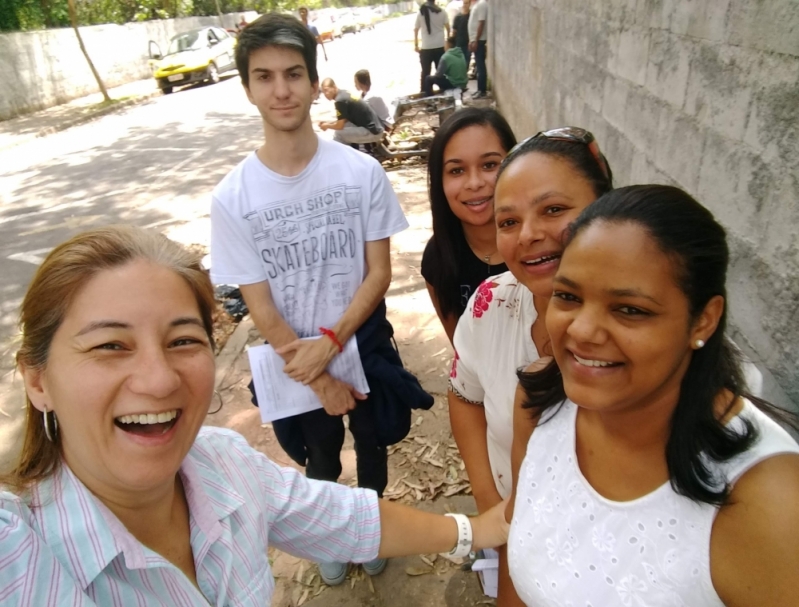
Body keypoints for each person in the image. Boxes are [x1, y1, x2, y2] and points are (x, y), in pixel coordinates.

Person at [0, 226, 511, 605]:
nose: (158, 380)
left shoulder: (222, 464)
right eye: (111, 345)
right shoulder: (19, 551)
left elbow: (338, 516)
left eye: (182, 340)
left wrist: (472, 530)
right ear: (39, 380)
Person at [209, 14, 433, 586]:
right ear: (248, 87)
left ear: (314, 82)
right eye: (264, 77)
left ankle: (375, 529)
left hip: (362, 342)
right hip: (292, 358)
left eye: (293, 73)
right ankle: (331, 537)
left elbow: (378, 273)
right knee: (320, 459)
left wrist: (333, 342)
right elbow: (257, 301)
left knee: (375, 442)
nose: (280, 89)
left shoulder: (359, 173)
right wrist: (312, 367)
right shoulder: (233, 197)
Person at [506, 185, 799, 606]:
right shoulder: (540, 402)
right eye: (568, 296)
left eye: (630, 310)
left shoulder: (767, 502)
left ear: (703, 320)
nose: (582, 331)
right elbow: (516, 536)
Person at [448, 128, 613, 603]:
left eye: (554, 210)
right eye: (508, 221)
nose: (530, 235)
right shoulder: (490, 305)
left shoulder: (652, 347)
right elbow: (464, 395)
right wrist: (490, 510)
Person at [421, 107, 516, 343]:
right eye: (457, 170)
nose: (474, 183)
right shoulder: (439, 258)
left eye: (489, 165)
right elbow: (462, 352)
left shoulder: (543, 245)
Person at [319, 77, 384, 146]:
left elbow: (339, 126)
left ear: (334, 87)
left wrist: (326, 126)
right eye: (323, 92)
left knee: (339, 134)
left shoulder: (340, 101)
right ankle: (354, 148)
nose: (325, 94)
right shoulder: (344, 93)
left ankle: (340, 155)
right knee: (345, 126)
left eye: (326, 90)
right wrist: (329, 123)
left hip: (373, 132)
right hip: (376, 127)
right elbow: (344, 119)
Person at [414, 0, 450, 94]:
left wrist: (416, 45)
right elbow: (448, 28)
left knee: (425, 72)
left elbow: (416, 30)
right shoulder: (442, 12)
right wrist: (448, 42)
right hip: (440, 46)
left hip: (426, 48)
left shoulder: (421, 12)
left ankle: (425, 93)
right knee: (441, 71)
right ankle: (443, 92)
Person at [468, 0, 488, 98]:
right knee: (478, 66)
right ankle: (480, 89)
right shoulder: (477, 4)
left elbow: (481, 23)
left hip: (479, 40)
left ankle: (482, 91)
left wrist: (475, 40)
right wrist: (471, 40)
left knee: (480, 67)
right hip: (475, 39)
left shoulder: (482, 4)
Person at [451, 0, 471, 73]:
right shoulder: (458, 17)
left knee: (466, 63)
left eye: (466, 3)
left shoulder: (471, 16)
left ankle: (463, 80)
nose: (465, 5)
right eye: (464, 3)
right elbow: (454, 31)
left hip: (468, 44)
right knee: (459, 63)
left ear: (469, 4)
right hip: (459, 43)